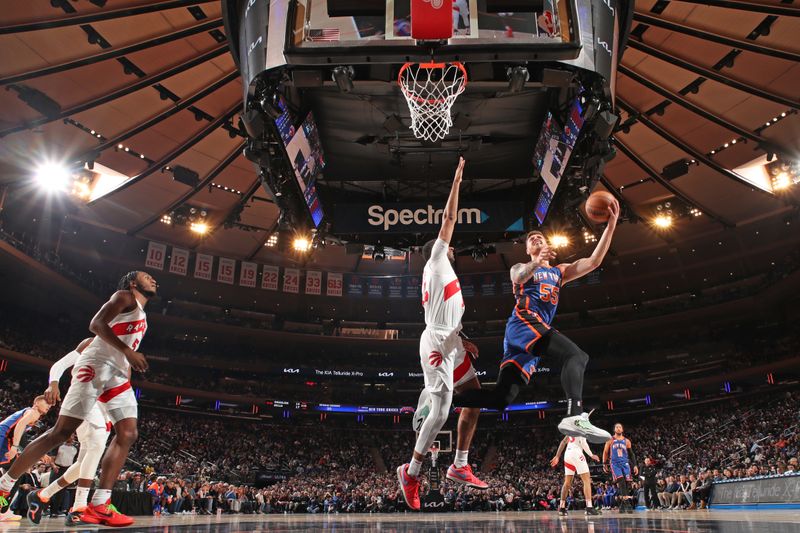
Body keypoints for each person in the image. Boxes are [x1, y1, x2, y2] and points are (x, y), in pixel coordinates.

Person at [454, 199, 620, 443]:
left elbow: (593, 261)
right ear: (527, 250)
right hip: (524, 323)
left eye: (540, 238)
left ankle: (441, 398)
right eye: (531, 240)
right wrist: (535, 261)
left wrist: (611, 226)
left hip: (527, 337)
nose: (535, 240)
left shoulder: (559, 271)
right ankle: (575, 415)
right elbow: (519, 275)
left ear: (548, 245)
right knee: (577, 356)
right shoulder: (522, 266)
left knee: (501, 399)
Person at [0, 271, 155, 527]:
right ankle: (5, 486)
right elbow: (96, 324)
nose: (153, 280)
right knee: (60, 434)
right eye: (146, 276)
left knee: (127, 434)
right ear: (132, 282)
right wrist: (53, 383)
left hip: (115, 375)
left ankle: (98, 503)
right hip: (94, 367)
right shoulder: (124, 297)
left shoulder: (141, 315)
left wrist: (127, 359)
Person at [397, 157, 488, 511]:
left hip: (451, 341)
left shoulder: (446, 274)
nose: (452, 245)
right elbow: (449, 219)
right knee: (441, 413)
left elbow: (451, 314)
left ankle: (460, 464)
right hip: (436, 342)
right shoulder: (435, 259)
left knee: (474, 396)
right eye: (448, 244)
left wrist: (462, 339)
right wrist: (456, 182)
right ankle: (412, 471)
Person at [26, 337, 114, 525]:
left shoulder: (122, 356)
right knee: (97, 444)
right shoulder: (92, 343)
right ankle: (79, 506)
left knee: (83, 463)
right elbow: (61, 364)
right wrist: (54, 383)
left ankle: (42, 495)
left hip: (103, 409)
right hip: (83, 397)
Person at [551, 435, 601, 516]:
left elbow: (563, 441)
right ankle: (589, 507)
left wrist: (557, 456)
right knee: (586, 480)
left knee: (567, 483)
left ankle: (562, 508)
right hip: (576, 453)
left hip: (567, 455)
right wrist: (591, 455)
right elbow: (584, 443)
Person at [603, 423, 638, 513]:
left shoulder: (627, 441)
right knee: (621, 481)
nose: (618, 428)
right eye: (616, 427)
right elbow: (605, 452)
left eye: (620, 427)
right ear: (614, 430)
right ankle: (627, 503)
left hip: (625, 463)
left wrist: (635, 465)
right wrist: (604, 463)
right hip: (615, 464)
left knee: (626, 483)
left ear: (622, 430)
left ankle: (622, 505)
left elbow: (631, 454)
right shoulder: (610, 440)